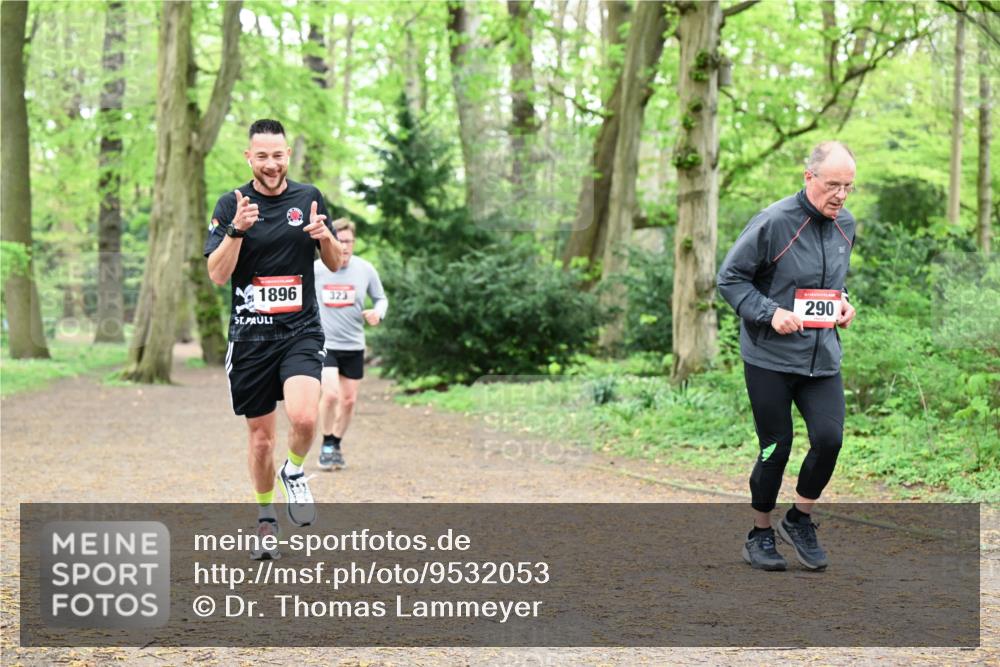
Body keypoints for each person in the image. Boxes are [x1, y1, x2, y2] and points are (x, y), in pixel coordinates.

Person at [205, 119, 343, 560]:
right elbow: (217, 273)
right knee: (261, 439)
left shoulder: (310, 197)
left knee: (304, 419)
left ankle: (296, 472)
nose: (271, 164)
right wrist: (236, 231)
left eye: (278, 155)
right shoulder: (231, 204)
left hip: (299, 331)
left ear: (288, 155)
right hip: (250, 339)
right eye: (262, 156)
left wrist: (324, 239)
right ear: (249, 157)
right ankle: (266, 520)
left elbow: (337, 263)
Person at [717, 141, 858, 572]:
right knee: (775, 447)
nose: (840, 195)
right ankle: (759, 532)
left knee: (829, 440)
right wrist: (770, 312)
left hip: (821, 358)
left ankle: (799, 518)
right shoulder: (775, 222)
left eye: (848, 186)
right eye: (832, 184)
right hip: (769, 359)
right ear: (808, 177)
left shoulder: (846, 224)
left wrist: (845, 303)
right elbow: (731, 279)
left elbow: (830, 283)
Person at [313, 218, 388, 470]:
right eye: (339, 241)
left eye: (348, 241)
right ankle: (325, 443)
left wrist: (378, 313)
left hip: (354, 345)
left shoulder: (365, 269)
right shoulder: (317, 270)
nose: (344, 247)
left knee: (349, 401)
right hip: (326, 344)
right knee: (331, 393)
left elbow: (381, 299)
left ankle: (335, 442)